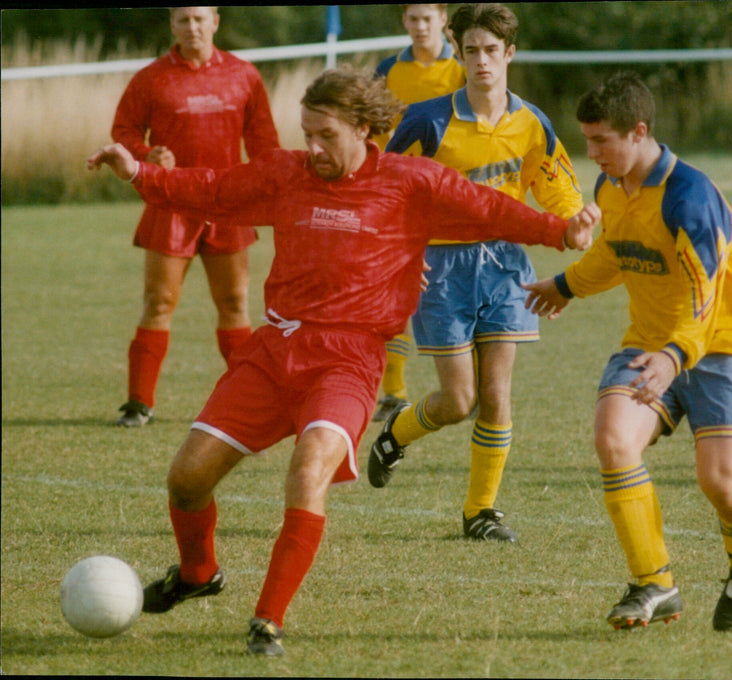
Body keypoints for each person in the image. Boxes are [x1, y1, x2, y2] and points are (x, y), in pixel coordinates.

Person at [87, 67, 600, 655]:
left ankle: (266, 621)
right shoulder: (285, 173)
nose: (313, 147)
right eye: (306, 132)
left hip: (348, 362)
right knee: (186, 479)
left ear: (364, 129)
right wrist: (140, 173)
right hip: (273, 350)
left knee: (308, 474)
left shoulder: (411, 183)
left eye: (326, 135)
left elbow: (491, 209)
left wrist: (564, 231)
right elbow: (212, 189)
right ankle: (199, 574)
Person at [524, 71, 732, 632]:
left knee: (720, 481)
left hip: (726, 347)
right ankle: (654, 582)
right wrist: (564, 285)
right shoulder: (610, 187)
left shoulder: (690, 197)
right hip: (648, 344)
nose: (592, 154)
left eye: (601, 142)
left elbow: (705, 294)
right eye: (586, 141)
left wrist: (673, 356)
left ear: (638, 133)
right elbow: (616, 251)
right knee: (613, 438)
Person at [367, 3, 584, 543]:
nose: (482, 61)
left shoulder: (532, 122)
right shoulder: (427, 120)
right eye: (472, 51)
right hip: (441, 267)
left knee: (496, 395)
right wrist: (402, 254)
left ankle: (480, 512)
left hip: (506, 264)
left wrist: (576, 218)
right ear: (459, 54)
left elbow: (557, 190)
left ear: (510, 53)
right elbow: (388, 193)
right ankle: (395, 434)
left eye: (492, 51)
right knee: (457, 402)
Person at [110, 7, 279, 427]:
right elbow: (124, 133)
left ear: (215, 22)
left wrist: (272, 189)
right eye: (183, 19)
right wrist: (149, 155)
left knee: (235, 302)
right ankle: (138, 404)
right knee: (159, 302)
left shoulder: (244, 75)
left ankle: (246, 402)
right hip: (171, 204)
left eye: (200, 19)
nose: (192, 27)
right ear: (172, 25)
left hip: (228, 204)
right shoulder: (150, 77)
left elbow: (263, 141)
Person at [371, 4, 466, 421]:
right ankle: (393, 390)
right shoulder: (389, 69)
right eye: (413, 18)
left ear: (444, 20)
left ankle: (470, 384)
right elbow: (373, 128)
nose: (421, 26)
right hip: (402, 194)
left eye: (428, 18)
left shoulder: (462, 68)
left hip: (454, 195)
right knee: (398, 288)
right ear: (404, 22)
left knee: (461, 288)